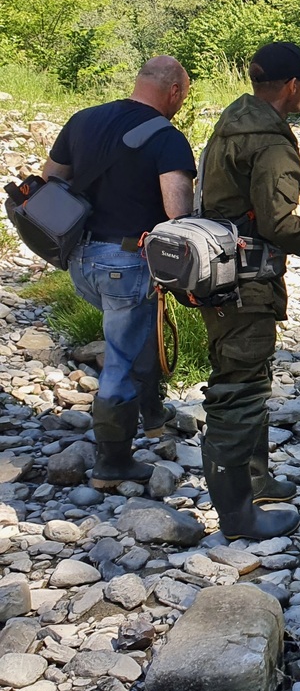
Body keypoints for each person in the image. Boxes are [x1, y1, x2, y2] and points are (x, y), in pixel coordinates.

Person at [198, 41, 300, 541]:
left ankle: (257, 480)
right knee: (239, 389)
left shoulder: (234, 118)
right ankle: (238, 518)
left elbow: (248, 214)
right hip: (244, 287)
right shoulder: (270, 142)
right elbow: (275, 220)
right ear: (293, 86)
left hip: (229, 273)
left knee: (249, 377)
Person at [41, 57, 195, 488]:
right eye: (184, 95)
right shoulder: (167, 138)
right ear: (175, 92)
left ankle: (152, 417)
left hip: (80, 261)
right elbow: (177, 214)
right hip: (125, 264)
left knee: (134, 334)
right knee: (122, 358)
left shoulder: (83, 120)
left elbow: (50, 179)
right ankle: (113, 462)